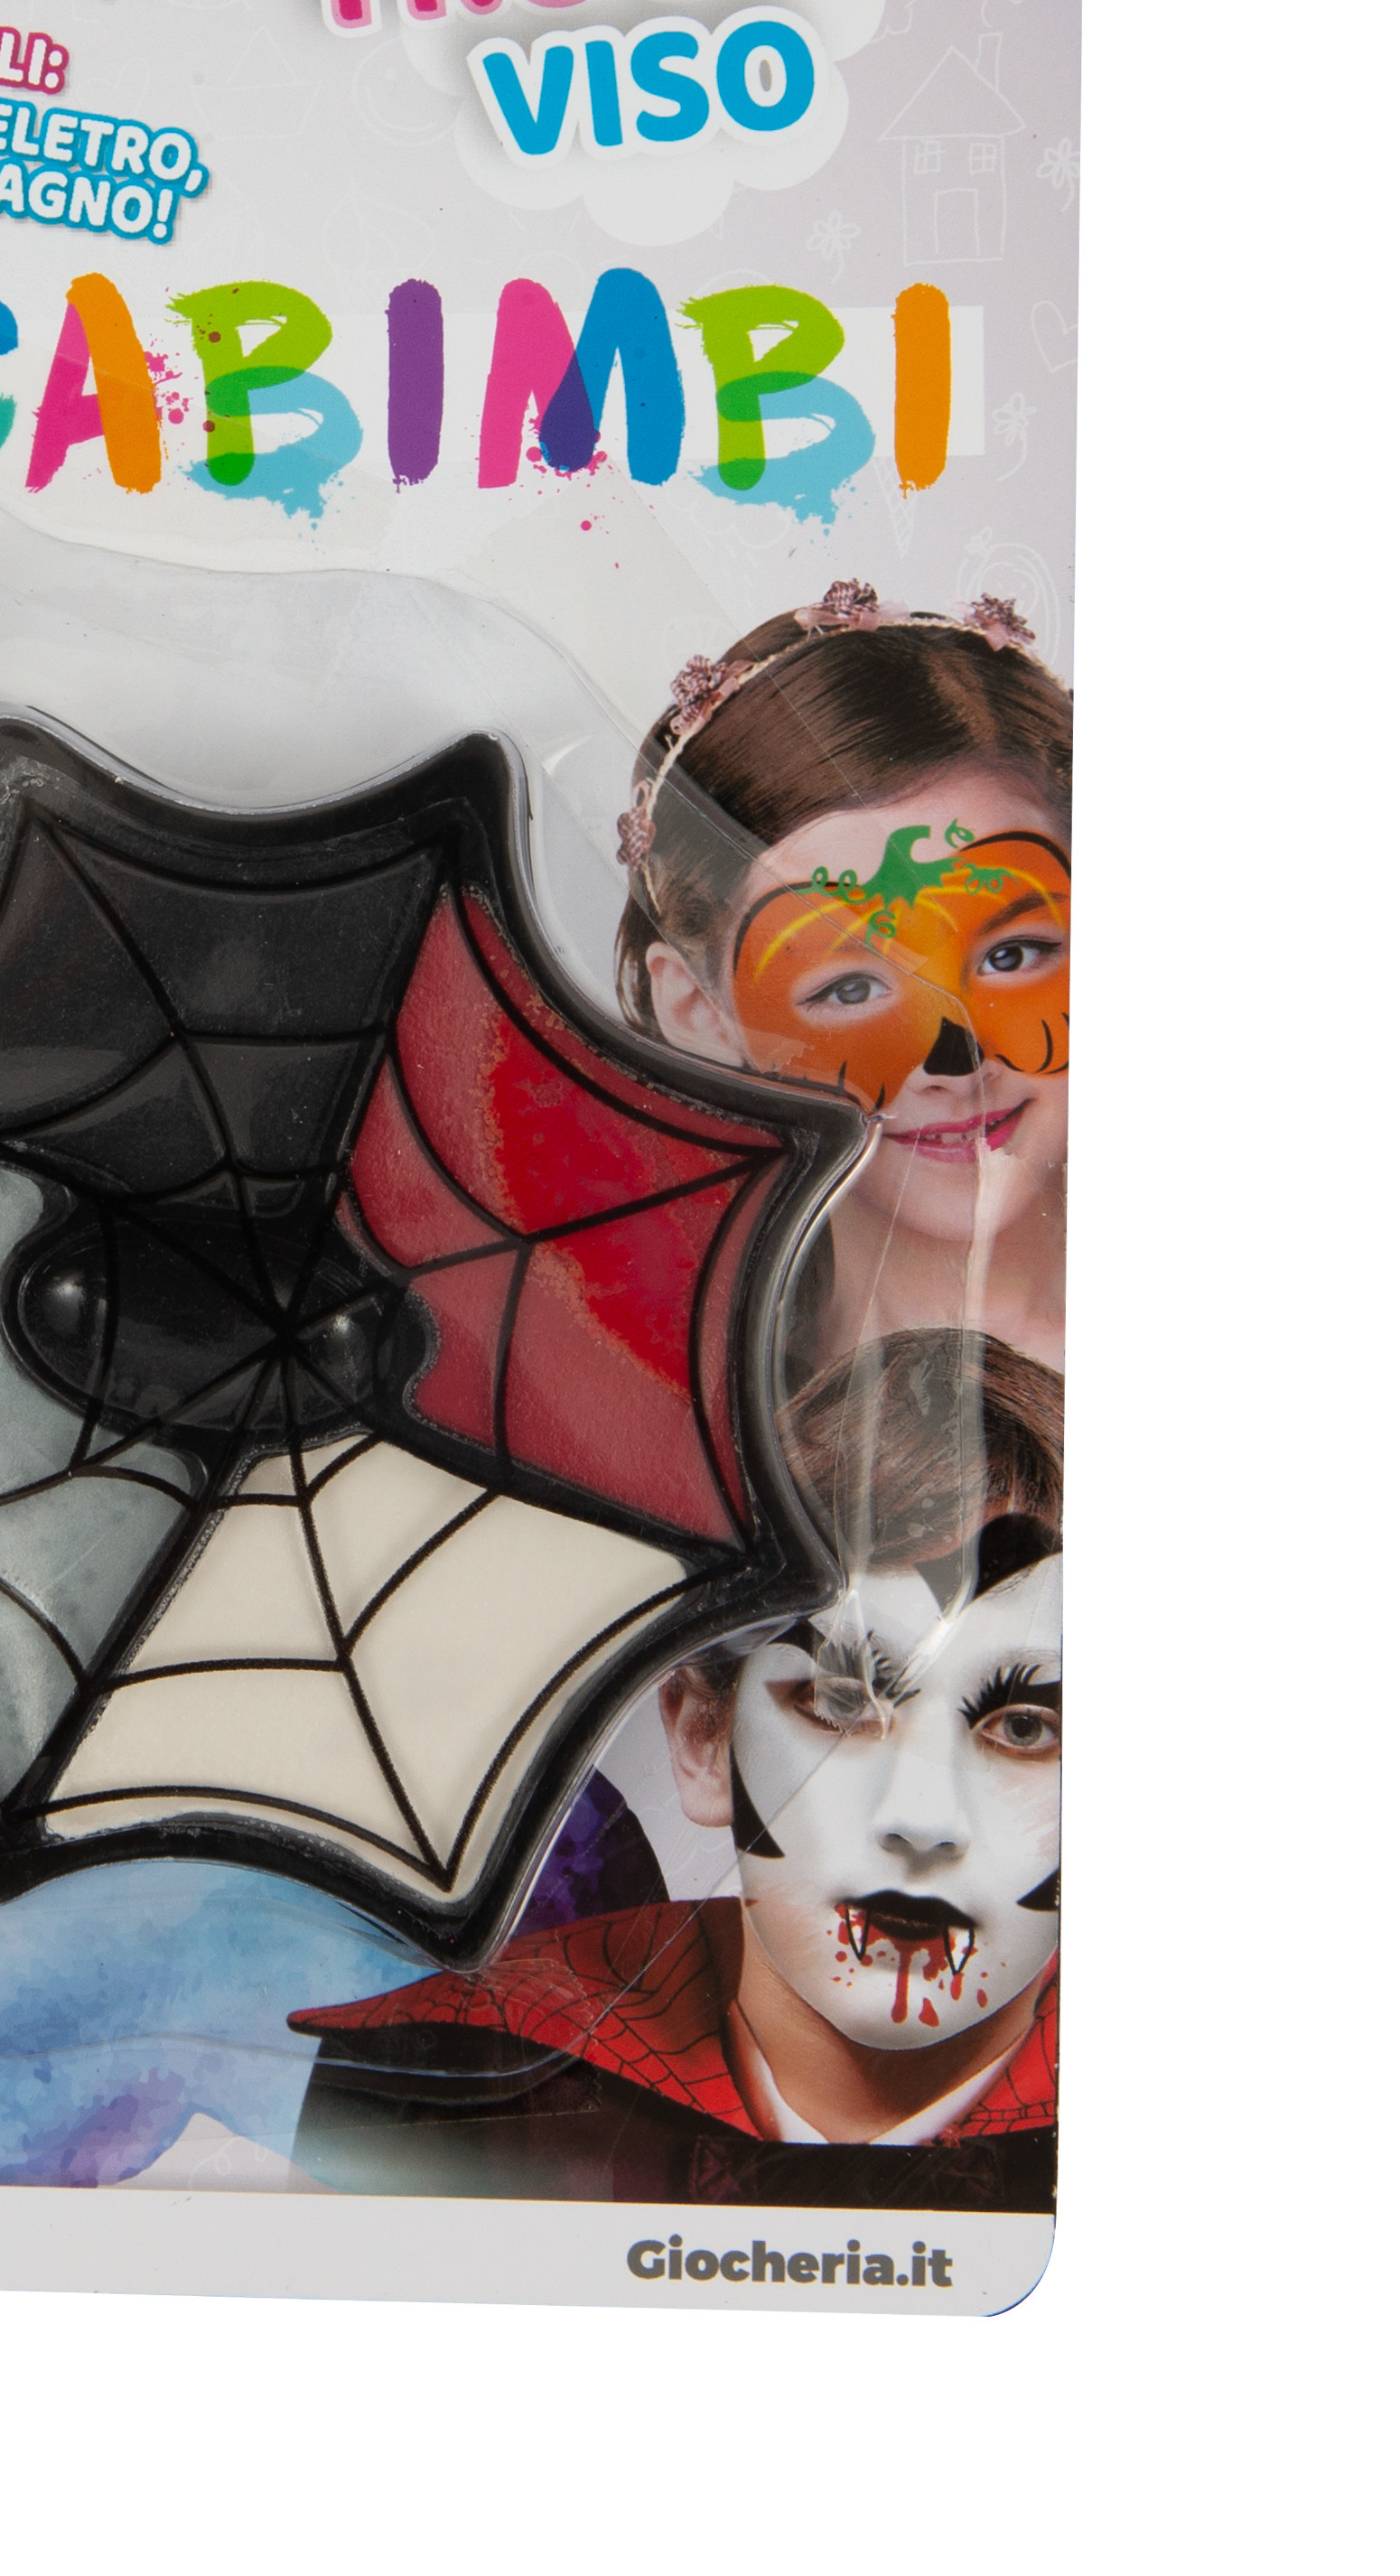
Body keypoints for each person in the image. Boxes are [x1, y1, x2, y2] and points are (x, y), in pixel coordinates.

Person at [288, 1330, 1061, 2211]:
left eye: (1024, 1726)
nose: (922, 1820)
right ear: (703, 1735)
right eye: (843, 1704)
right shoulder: (440, 2083)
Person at [610, 583, 1069, 1379]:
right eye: (850, 989)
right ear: (696, 1009)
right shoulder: (682, 1407)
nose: (957, 1060)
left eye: (1011, 955)